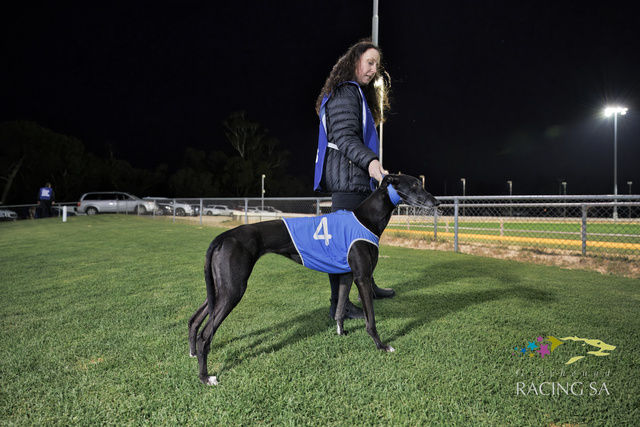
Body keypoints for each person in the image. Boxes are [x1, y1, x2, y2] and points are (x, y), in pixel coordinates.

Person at [314, 39, 395, 320]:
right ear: (354, 60)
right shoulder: (346, 92)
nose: (373, 70)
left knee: (363, 240)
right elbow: (345, 138)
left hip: (356, 179)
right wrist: (371, 162)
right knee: (344, 247)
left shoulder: (354, 93)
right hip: (348, 180)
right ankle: (340, 305)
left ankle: (367, 287)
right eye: (369, 62)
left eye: (376, 65)